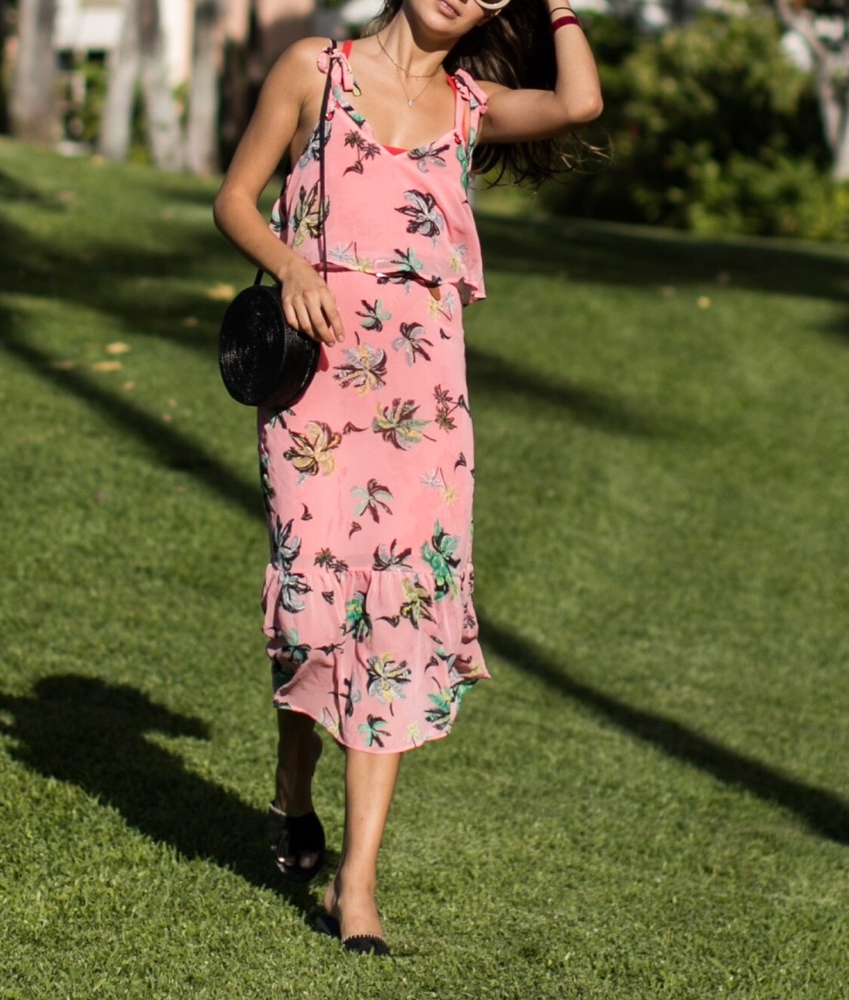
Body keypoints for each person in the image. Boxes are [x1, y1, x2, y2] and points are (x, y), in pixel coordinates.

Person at [213, 0, 602, 956]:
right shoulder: (315, 69)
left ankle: (357, 886)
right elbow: (234, 200)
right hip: (315, 392)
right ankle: (294, 779)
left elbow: (579, 104)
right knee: (311, 608)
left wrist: (557, 4)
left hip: (423, 411)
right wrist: (290, 266)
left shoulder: (472, 105)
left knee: (390, 625)